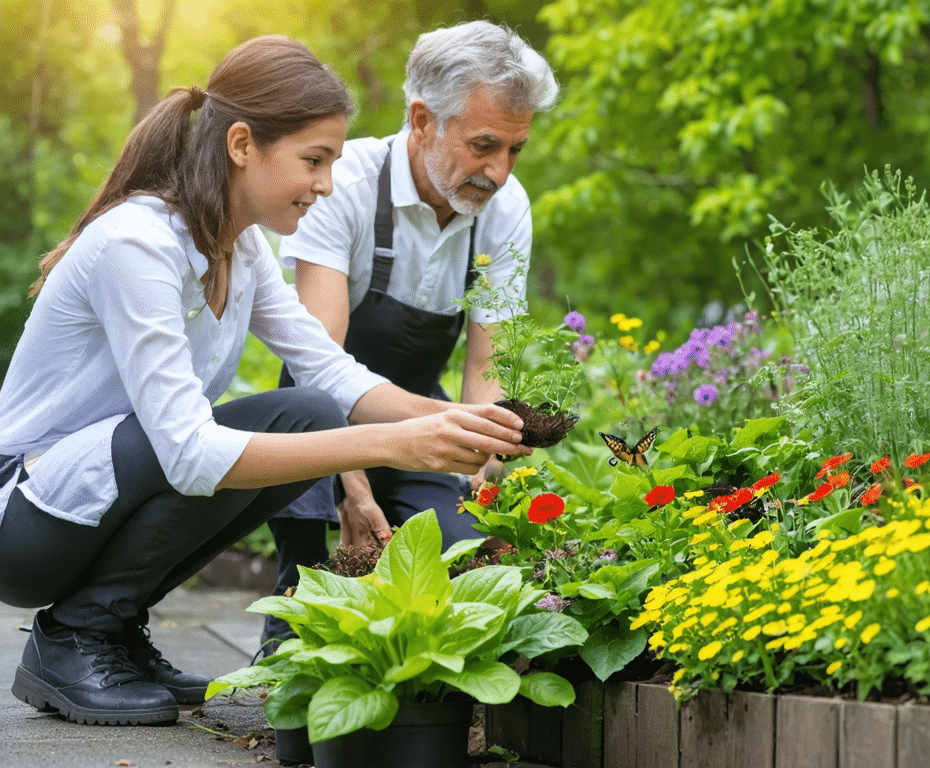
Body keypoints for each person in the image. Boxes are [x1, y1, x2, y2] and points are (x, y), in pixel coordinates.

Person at [0, 36, 529, 727]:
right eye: (314, 160)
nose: (326, 184)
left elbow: (329, 370)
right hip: (28, 517)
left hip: (94, 496)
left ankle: (113, 627)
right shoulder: (139, 243)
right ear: (243, 144)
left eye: (334, 162)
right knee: (237, 432)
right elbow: (188, 453)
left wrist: (447, 421)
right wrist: (392, 445)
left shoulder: (240, 245)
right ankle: (76, 636)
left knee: (307, 409)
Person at [258, 21, 557, 653]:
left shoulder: (505, 209)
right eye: (483, 146)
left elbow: (487, 358)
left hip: (425, 409)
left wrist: (488, 458)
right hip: (322, 415)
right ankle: (286, 641)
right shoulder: (343, 185)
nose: (499, 172)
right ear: (422, 120)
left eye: (514, 150)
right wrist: (352, 487)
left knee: (455, 546)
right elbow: (318, 360)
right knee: (318, 551)